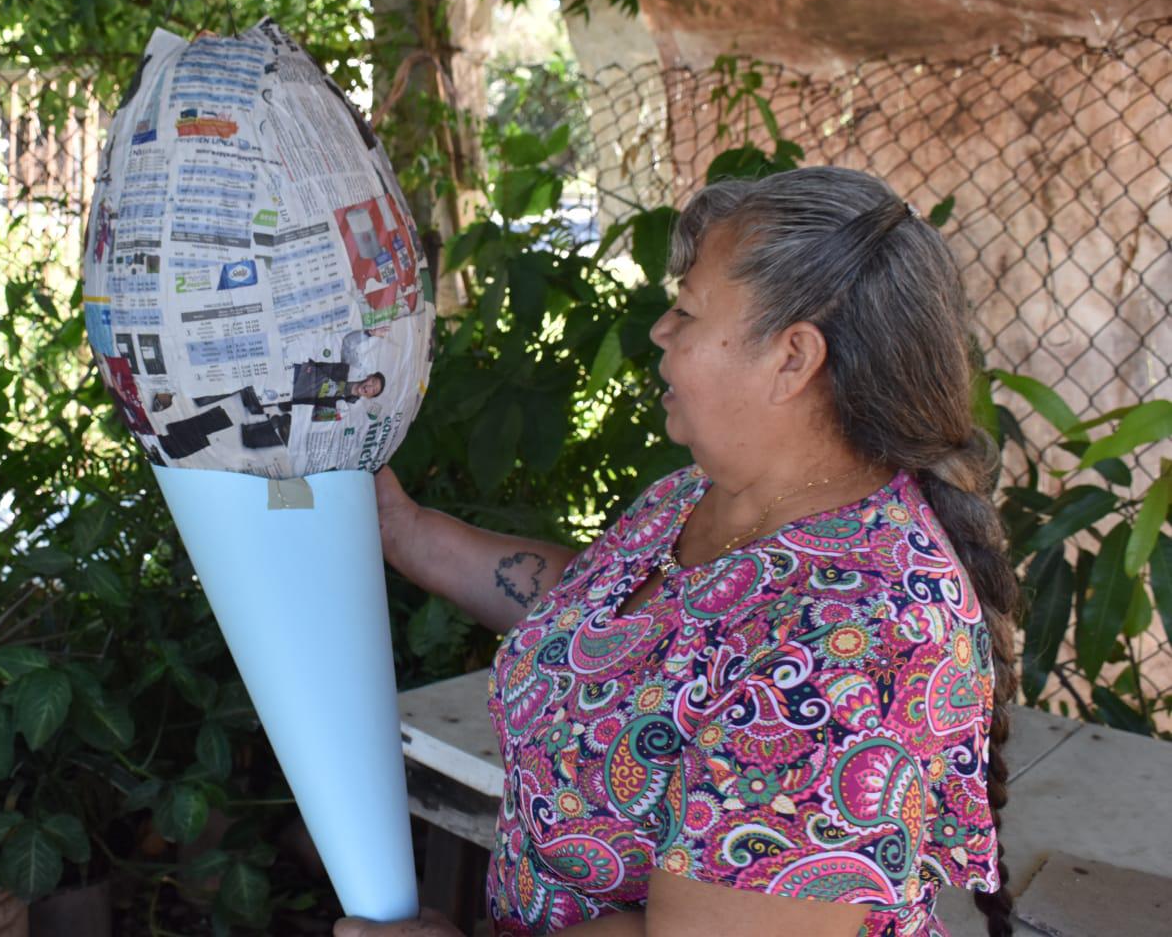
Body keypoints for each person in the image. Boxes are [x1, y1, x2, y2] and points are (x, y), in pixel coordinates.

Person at [336, 167, 1016, 937]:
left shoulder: (864, 641)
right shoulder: (703, 495)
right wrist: (406, 531)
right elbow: (618, 619)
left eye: (687, 311)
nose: (661, 330)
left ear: (792, 358)